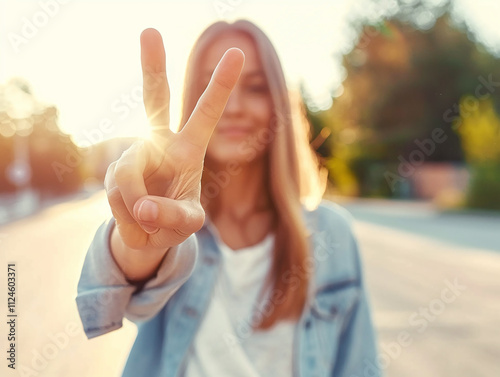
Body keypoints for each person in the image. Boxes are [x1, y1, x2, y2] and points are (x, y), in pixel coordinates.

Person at [76, 19, 381, 377]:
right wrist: (141, 228)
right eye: (212, 87)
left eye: (254, 87)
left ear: (278, 104)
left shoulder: (333, 233)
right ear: (192, 99)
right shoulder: (179, 225)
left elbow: (360, 367)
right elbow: (109, 303)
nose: (233, 106)